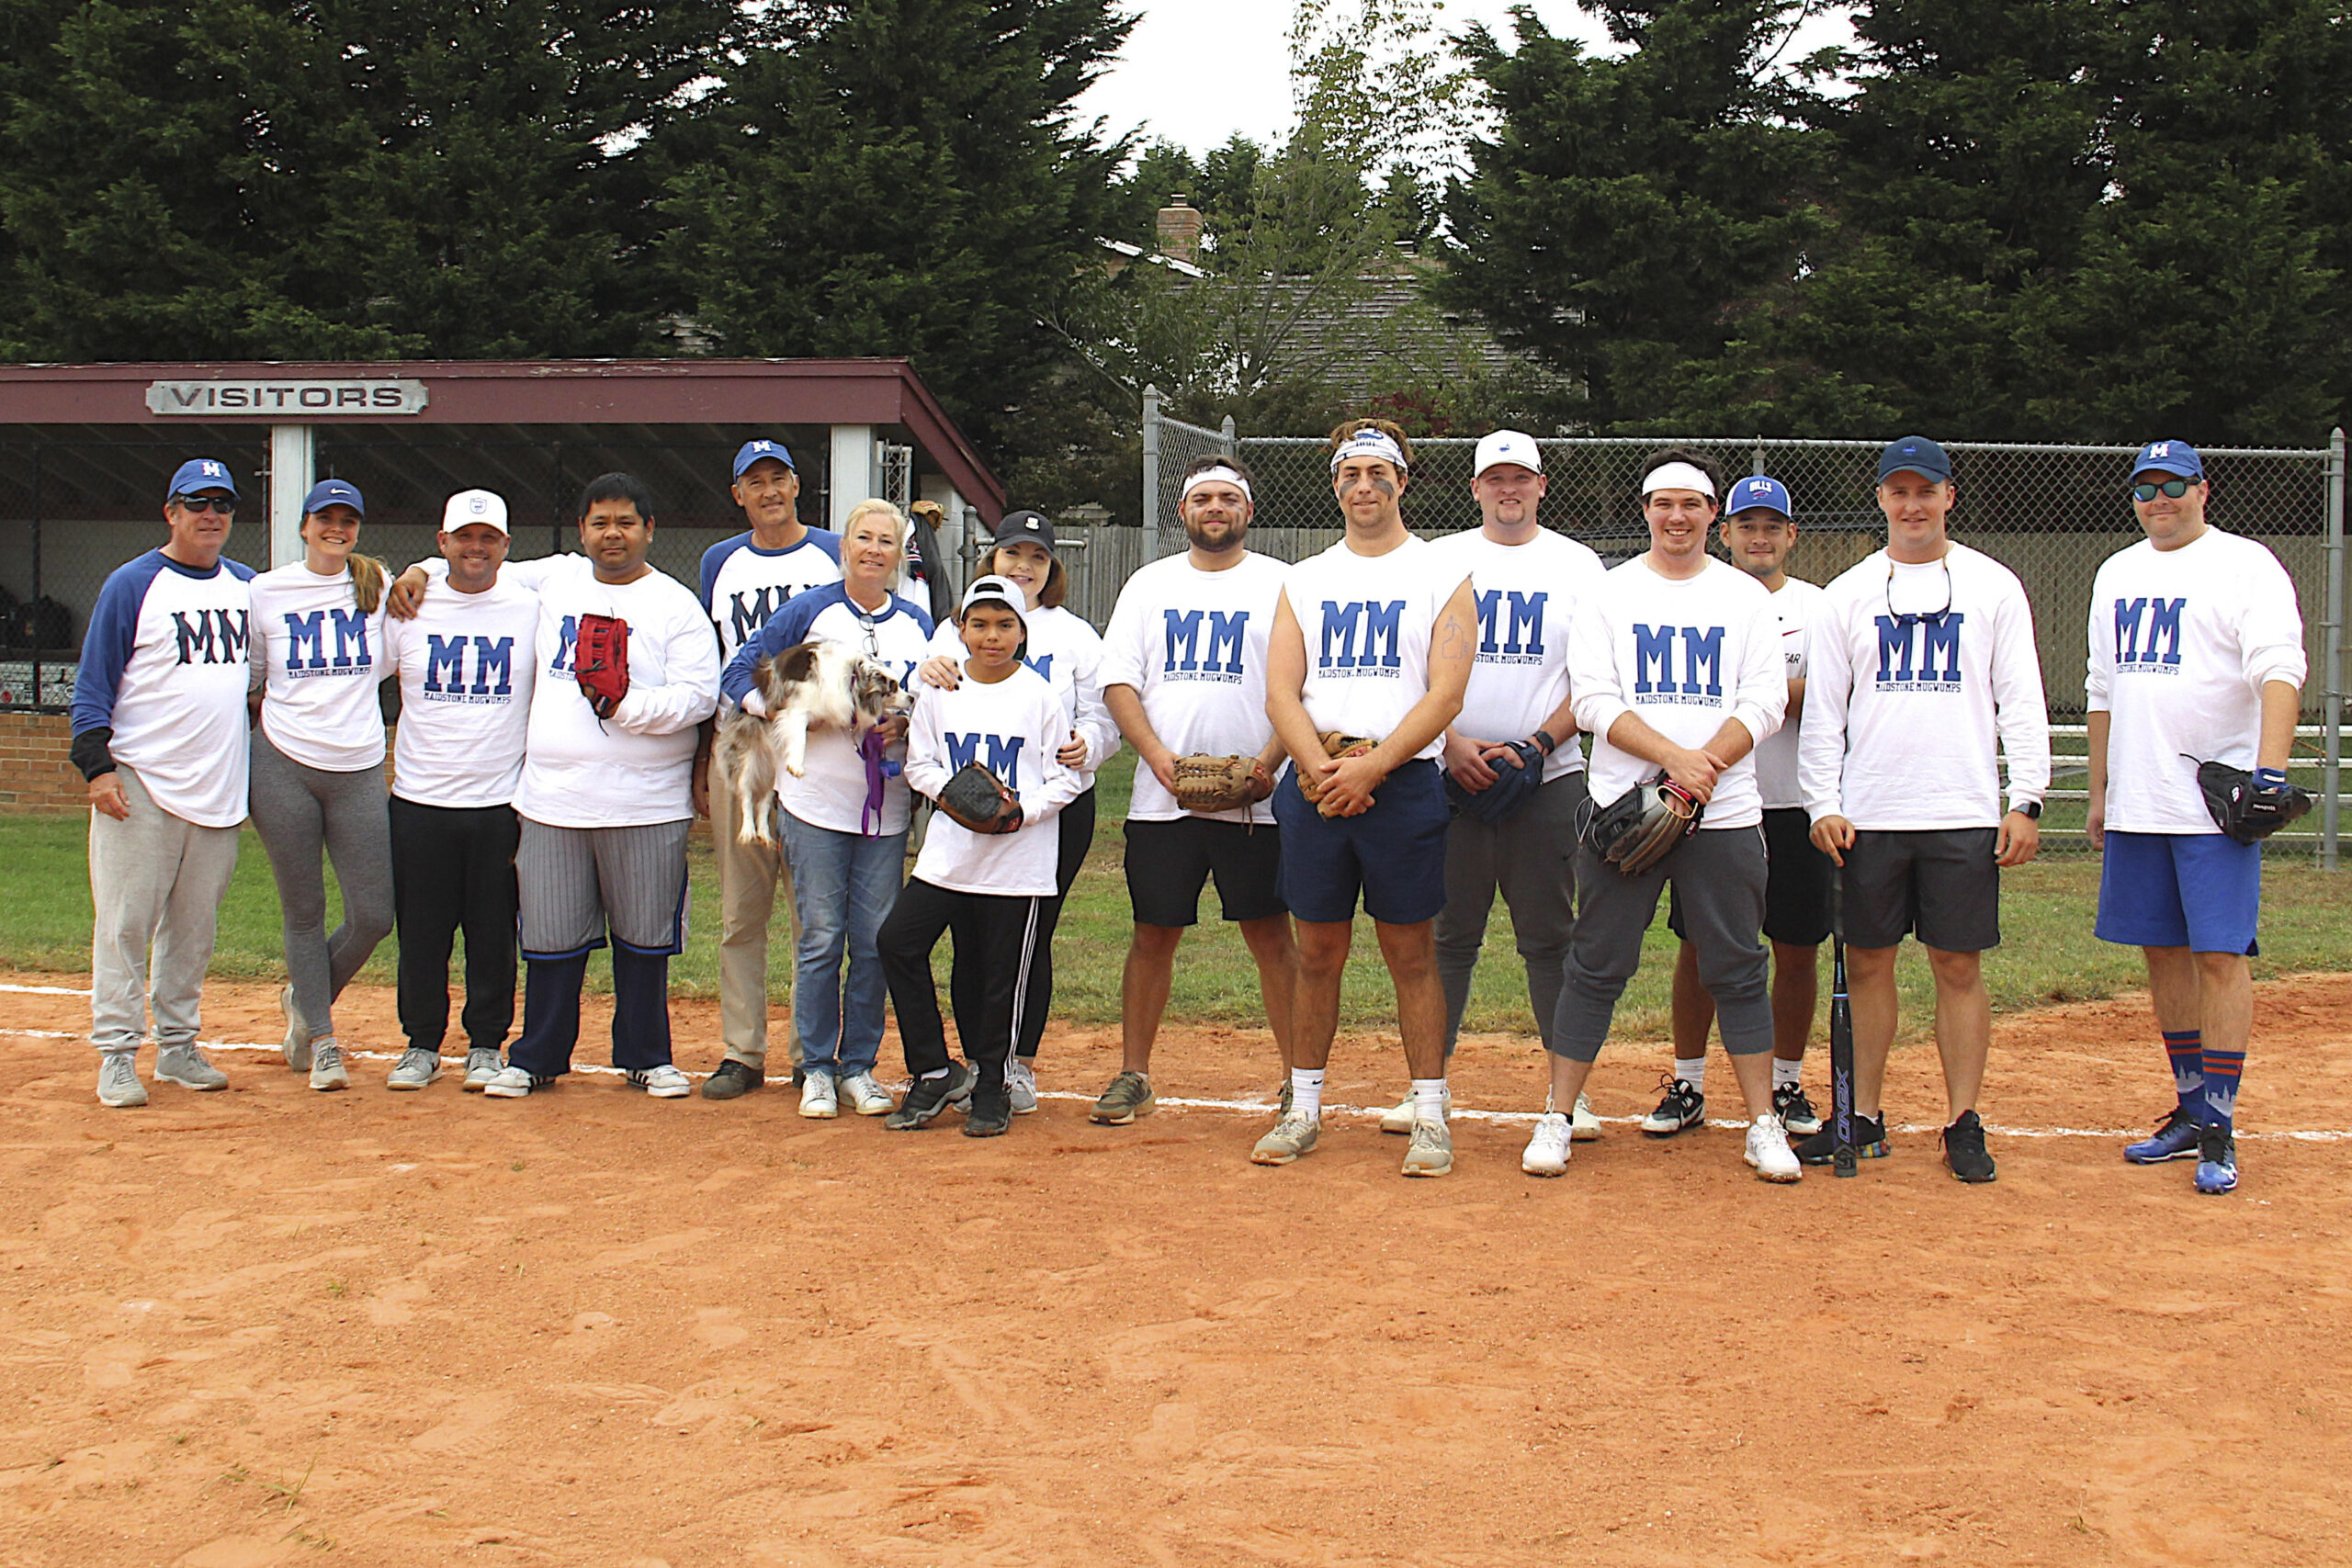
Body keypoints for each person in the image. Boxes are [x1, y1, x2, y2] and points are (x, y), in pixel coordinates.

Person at [395, 474, 719, 1099]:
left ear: (649, 530)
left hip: (643, 801)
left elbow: (699, 696)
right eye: (600, 522)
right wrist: (416, 569)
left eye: (626, 521)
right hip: (551, 800)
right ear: (583, 532)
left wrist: (626, 706)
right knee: (549, 938)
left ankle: (647, 1055)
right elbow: (471, 561)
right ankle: (538, 1054)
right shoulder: (553, 580)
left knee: (644, 939)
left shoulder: (676, 604)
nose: (613, 533)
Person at [1520, 450, 1796, 1182]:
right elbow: (1594, 700)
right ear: (1645, 510)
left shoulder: (1745, 600)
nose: (1677, 517)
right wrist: (1677, 758)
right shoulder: (1610, 595)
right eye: (1663, 503)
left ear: (1714, 516)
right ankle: (1559, 1112)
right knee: (1596, 962)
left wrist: (1702, 768)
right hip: (1624, 808)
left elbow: (1764, 701)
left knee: (1737, 965)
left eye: (1693, 504)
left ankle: (1762, 1122)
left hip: (1726, 812)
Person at [1798, 435, 2051, 1182]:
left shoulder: (1993, 587)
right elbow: (1825, 718)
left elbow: (2022, 700)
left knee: (1957, 964)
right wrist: (1822, 802)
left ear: (1949, 496)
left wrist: (2026, 798)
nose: (1913, 505)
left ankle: (1962, 1119)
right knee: (1869, 963)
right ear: (1881, 499)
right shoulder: (1846, 594)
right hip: (1870, 812)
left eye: (1926, 490)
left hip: (1962, 809)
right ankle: (1863, 1115)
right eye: (1899, 491)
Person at [1251, 419, 1477, 1177]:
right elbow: (1281, 688)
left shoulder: (1442, 573)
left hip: (1401, 779)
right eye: (1351, 473)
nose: (1364, 486)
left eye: (1380, 473)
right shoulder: (1306, 577)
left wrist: (1373, 767)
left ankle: (1430, 1113)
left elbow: (1446, 693)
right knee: (1316, 949)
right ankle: (1305, 1106)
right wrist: (1319, 770)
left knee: (1411, 953)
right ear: (1337, 484)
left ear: (1403, 482)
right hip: (1318, 780)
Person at [2088, 440, 2305, 1196]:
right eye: (2145, 488)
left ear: (2202, 489)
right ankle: (2187, 1108)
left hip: (2215, 804)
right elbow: (2103, 688)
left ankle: (2220, 1122)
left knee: (2219, 954)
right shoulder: (2117, 571)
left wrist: (2270, 775)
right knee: (2162, 951)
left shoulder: (2246, 565)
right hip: (2141, 800)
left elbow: (2279, 669)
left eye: (2173, 485)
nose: (2159, 499)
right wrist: (2100, 793)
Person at [1411, 429, 1608, 1145]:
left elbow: (1594, 679)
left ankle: (1568, 1092)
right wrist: (1451, 743)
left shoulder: (1578, 565)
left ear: (1541, 485)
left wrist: (1536, 746)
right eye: (1495, 479)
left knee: (1551, 937)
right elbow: (1417, 669)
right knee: (1448, 934)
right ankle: (1426, 1084)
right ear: (1475, 489)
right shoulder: (1440, 560)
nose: (1508, 490)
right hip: (1447, 771)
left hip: (1549, 777)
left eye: (1520, 478)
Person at [1094, 455, 1298, 1124]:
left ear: (1247, 511)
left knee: (1271, 935)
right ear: (1183, 512)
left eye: (1228, 498)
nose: (1216, 508)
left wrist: (1270, 761)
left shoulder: (1283, 584)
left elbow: (1304, 686)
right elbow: (1119, 681)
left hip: (1259, 802)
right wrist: (1156, 758)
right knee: (1153, 932)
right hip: (1163, 798)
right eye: (1203, 498)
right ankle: (1135, 1074)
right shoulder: (1148, 585)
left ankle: (1301, 1077)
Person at [720, 499, 933, 1121]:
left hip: (884, 809)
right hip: (813, 802)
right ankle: (815, 1066)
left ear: (899, 554)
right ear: (844, 547)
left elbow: (934, 701)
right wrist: (785, 712)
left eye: (886, 541)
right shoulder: (810, 609)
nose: (873, 549)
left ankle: (858, 1066)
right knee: (820, 937)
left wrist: (904, 725)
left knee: (873, 941)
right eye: (862, 538)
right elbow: (739, 671)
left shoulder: (918, 622)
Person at [916, 512, 1118, 1112]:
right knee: (967, 935)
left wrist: (1091, 743)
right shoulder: (958, 628)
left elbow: (1102, 714)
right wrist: (923, 668)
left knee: (1031, 934)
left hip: (1054, 805)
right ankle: (980, 1061)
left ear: (1052, 567)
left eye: (1036, 557)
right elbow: (926, 698)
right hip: (967, 803)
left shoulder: (1076, 633)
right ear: (992, 560)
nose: (1023, 566)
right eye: (1012, 554)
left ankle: (1015, 1063)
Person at [69, 458, 254, 1108]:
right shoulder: (133, 583)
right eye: (197, 502)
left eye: (223, 504)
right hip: (140, 782)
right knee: (125, 923)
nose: (212, 515)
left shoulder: (246, 587)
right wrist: (97, 766)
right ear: (171, 511)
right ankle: (118, 1053)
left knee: (193, 926)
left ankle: (177, 1046)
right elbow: (93, 683)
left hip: (218, 790)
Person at [1657, 475, 1830, 1139]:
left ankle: (1786, 1083)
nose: (1759, 538)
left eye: (1772, 526)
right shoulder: (1699, 600)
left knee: (1795, 945)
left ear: (1791, 536)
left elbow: (1832, 694)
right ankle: (1688, 1082)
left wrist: (1761, 692)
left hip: (1791, 802)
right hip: (1714, 801)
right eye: (1746, 526)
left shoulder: (1819, 608)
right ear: (1723, 532)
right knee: (1699, 945)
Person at [877, 576, 1083, 1136]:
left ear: (1021, 632)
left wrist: (1020, 813)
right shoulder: (943, 690)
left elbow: (1068, 778)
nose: (992, 636)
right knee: (897, 942)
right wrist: (951, 796)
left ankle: (993, 1084)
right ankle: (934, 1068)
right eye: (980, 624)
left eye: (1005, 625)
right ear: (961, 629)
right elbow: (919, 763)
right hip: (949, 854)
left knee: (1000, 976)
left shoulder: (1040, 695)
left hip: (1019, 861)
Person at [694, 439, 842, 1100]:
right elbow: (716, 657)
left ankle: (813, 1055)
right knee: (741, 911)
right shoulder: (719, 561)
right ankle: (742, 1050)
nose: (769, 491)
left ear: (796, 483)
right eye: (754, 482)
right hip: (747, 741)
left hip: (819, 748)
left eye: (778, 477)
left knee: (812, 910)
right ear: (738, 495)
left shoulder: (834, 551)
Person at [379, 490, 538, 1091]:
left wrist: (416, 564)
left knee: (493, 929)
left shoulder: (527, 604)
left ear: (505, 546)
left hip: (500, 800)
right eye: (463, 537)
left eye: (488, 538)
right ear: (442, 540)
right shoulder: (409, 604)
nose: (476, 548)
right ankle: (420, 1042)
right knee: (421, 929)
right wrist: (416, 572)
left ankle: (485, 1043)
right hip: (421, 798)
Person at [246, 479, 396, 1092]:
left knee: (374, 914)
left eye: (348, 519)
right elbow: (254, 675)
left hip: (358, 764)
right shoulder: (266, 591)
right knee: (304, 910)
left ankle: (303, 1000)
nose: (336, 527)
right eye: (325, 518)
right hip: (282, 762)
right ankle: (323, 1038)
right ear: (304, 525)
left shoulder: (377, 585)